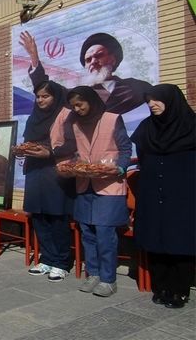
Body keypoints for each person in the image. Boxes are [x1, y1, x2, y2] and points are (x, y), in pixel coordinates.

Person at [130, 84, 196, 308]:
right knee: (155, 238)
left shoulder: (192, 126)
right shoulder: (146, 128)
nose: (151, 104)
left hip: (183, 194)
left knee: (181, 241)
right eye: (148, 100)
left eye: (156, 100)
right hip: (152, 192)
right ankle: (161, 286)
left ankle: (180, 289)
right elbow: (142, 158)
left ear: (172, 100)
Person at [64, 86, 132, 297]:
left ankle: (108, 279)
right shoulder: (75, 124)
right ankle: (92, 273)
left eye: (80, 104)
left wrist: (120, 167)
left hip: (109, 185)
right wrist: (74, 164)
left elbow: (125, 148)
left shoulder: (112, 119)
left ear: (91, 100)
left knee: (104, 233)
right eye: (74, 106)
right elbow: (78, 151)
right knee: (87, 233)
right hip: (85, 184)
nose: (77, 109)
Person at [19, 81, 75, 281]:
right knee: (39, 217)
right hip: (35, 171)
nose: (40, 100)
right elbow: (28, 142)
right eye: (38, 96)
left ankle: (62, 262)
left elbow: (73, 144)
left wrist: (50, 152)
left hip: (55, 172)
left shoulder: (66, 115)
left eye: (45, 96)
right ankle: (47, 258)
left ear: (56, 96)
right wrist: (23, 150)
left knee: (57, 217)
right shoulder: (33, 118)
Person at [19, 31, 152, 115]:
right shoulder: (76, 94)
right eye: (88, 60)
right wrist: (34, 57)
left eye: (99, 56)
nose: (93, 62)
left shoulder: (137, 88)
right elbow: (45, 89)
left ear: (113, 58)